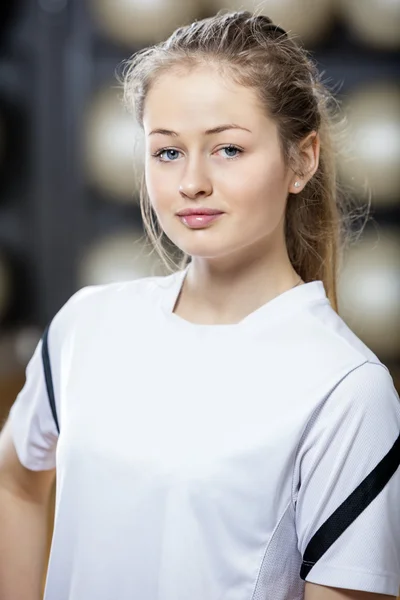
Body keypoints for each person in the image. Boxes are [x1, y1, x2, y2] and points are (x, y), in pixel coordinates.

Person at [0, 9, 399, 600]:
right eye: (167, 152)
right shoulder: (88, 323)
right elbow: (17, 480)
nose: (192, 182)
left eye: (228, 150)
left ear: (302, 160)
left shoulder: (347, 389)